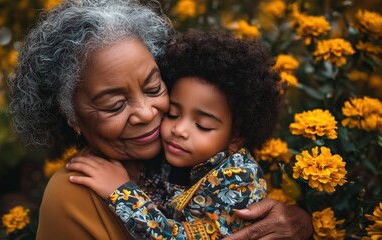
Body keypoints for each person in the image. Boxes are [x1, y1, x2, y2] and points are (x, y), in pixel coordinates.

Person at [8, 0, 313, 239]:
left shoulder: (196, 159)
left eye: (153, 87)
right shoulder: (73, 195)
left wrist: (300, 220)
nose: (146, 113)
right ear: (72, 118)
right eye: (114, 105)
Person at [66, 29, 277, 239]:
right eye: (174, 114)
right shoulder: (172, 155)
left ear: (236, 137)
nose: (179, 130)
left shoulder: (238, 181)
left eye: (202, 125)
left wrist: (122, 192)